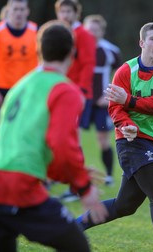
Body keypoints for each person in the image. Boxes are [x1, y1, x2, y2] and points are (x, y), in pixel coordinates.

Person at [0, 20, 108, 251]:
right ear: (73, 52)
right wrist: (82, 186)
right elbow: (61, 145)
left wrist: (70, 176)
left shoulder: (21, 85)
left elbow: (24, 143)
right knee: (78, 247)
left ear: (37, 50)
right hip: (18, 186)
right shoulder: (65, 89)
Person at [76, 22, 153, 252]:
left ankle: (73, 227)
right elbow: (115, 108)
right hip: (130, 141)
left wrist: (129, 100)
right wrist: (127, 125)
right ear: (142, 43)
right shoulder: (125, 71)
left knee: (124, 206)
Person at [55, 0, 97, 201]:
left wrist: (80, 91)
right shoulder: (57, 33)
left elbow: (89, 64)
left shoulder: (84, 35)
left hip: (77, 95)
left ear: (76, 14)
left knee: (72, 139)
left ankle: (76, 187)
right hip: (59, 93)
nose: (65, 15)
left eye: (68, 11)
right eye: (62, 11)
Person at [83, 14, 123, 186]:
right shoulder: (76, 49)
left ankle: (108, 176)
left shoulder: (111, 51)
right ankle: (75, 176)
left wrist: (108, 95)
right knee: (73, 138)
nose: (92, 33)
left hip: (101, 103)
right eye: (89, 29)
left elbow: (121, 75)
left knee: (103, 139)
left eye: (95, 30)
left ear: (102, 31)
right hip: (82, 101)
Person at [0, 0, 38, 111]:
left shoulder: (36, 31)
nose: (19, 13)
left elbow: (44, 62)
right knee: (3, 127)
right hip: (2, 92)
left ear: (27, 11)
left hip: (29, 89)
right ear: (8, 10)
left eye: (22, 9)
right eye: (15, 9)